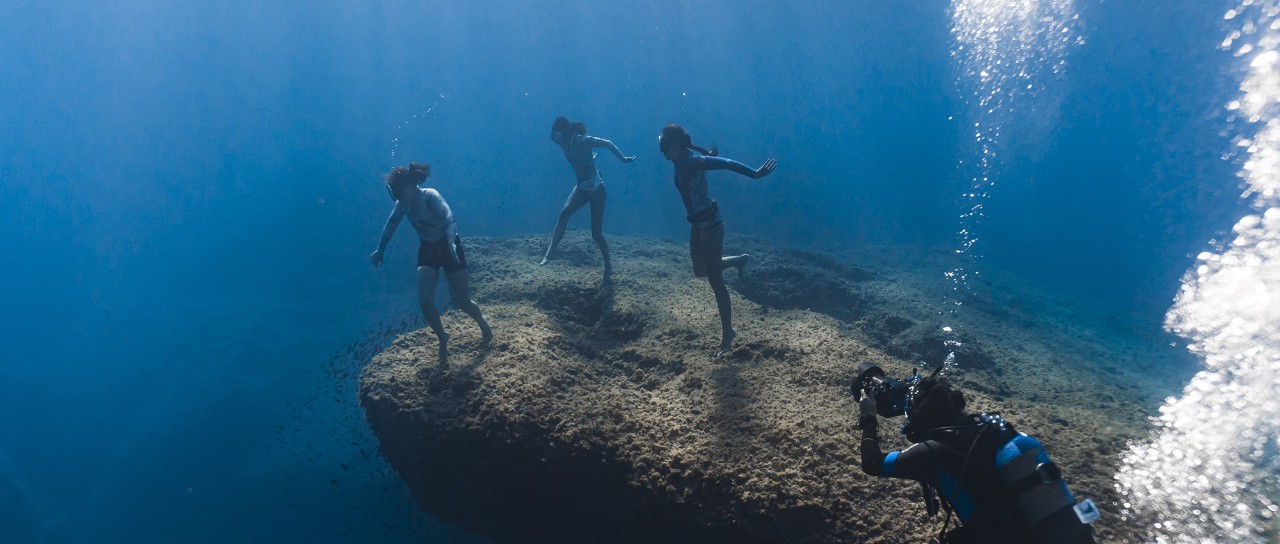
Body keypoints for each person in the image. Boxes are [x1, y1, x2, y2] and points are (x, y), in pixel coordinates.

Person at [857, 366, 1097, 543]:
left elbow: (873, 463)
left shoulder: (934, 452)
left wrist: (869, 417)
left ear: (919, 417)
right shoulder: (990, 431)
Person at [658, 124, 776, 356]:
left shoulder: (693, 161)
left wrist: (754, 173)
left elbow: (727, 163)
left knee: (715, 279)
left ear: (676, 145)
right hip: (697, 224)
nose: (664, 153)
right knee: (700, 270)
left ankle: (727, 334)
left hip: (711, 225)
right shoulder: (680, 160)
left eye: (666, 147)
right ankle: (739, 260)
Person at [370, 162, 492, 363]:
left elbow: (449, 218)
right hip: (428, 249)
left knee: (462, 302)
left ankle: (484, 326)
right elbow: (390, 226)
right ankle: (443, 338)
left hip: (448, 245)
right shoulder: (402, 205)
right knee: (425, 301)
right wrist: (380, 250)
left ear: (410, 185)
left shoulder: (430, 196)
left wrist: (452, 243)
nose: (400, 199)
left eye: (400, 193)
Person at [540, 116, 636, 279]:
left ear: (567, 132)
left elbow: (607, 143)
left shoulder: (585, 141)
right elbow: (579, 161)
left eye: (559, 136)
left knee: (596, 234)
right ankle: (549, 254)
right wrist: (588, 159)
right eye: (555, 138)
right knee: (564, 214)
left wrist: (623, 159)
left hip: (597, 188)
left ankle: (608, 265)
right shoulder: (565, 146)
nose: (558, 142)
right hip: (581, 186)